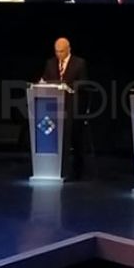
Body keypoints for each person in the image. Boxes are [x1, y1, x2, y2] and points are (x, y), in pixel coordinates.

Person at [41, 38, 89, 180]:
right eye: (56, 51)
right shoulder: (50, 63)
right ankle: (57, 170)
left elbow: (84, 82)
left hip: (72, 107)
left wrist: (69, 87)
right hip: (53, 108)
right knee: (57, 139)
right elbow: (45, 79)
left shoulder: (79, 63)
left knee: (74, 139)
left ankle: (76, 172)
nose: (58, 54)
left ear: (68, 49)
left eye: (61, 51)